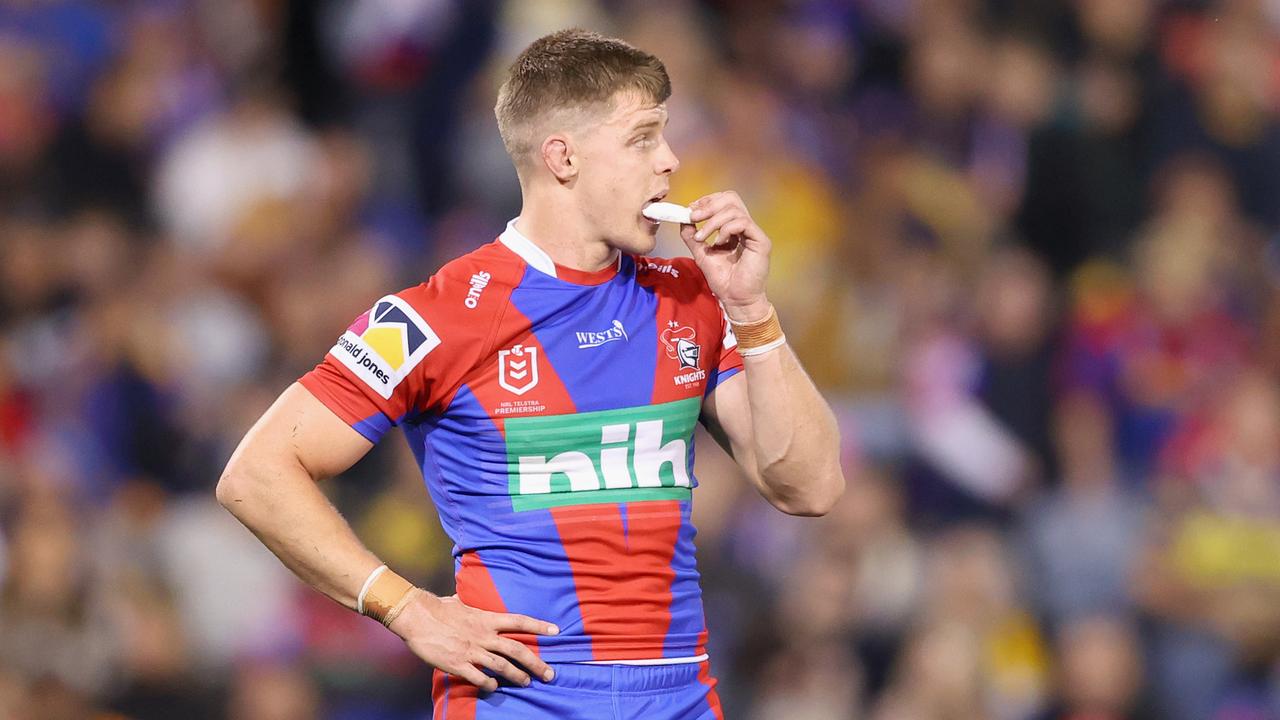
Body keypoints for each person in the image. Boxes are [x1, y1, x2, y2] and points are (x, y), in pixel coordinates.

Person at [216, 28, 844, 720]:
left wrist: (752, 308)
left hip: (680, 699)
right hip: (521, 701)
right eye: (643, 138)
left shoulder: (692, 298)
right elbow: (256, 475)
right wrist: (410, 611)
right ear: (563, 157)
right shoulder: (438, 315)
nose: (670, 161)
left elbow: (809, 485)